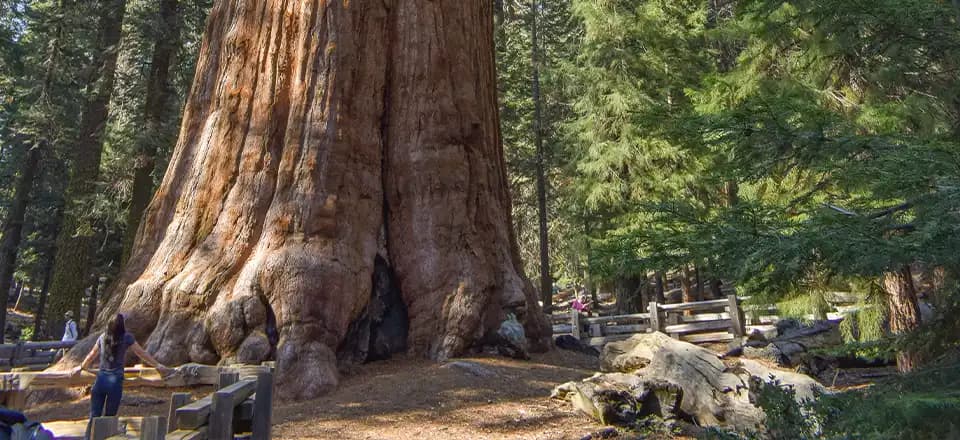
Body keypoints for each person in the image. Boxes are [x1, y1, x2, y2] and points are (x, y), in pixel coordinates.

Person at [71, 314, 173, 440]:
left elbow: (92, 355)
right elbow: (141, 353)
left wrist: (81, 367)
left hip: (100, 381)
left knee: (94, 417)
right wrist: (157, 365)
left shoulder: (103, 337)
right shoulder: (126, 338)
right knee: (109, 418)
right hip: (115, 382)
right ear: (122, 326)